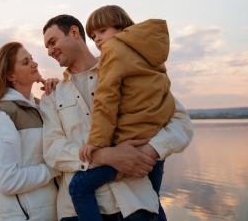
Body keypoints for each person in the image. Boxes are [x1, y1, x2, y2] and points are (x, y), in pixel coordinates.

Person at [40, 14, 193, 221]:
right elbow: (53, 150)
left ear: (74, 32)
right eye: (46, 47)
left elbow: (181, 123)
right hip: (76, 212)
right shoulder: (53, 94)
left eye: (52, 42)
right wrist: (104, 156)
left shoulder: (125, 67)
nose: (49, 51)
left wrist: (147, 152)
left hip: (137, 204)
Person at [70, 5, 175, 221]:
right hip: (154, 142)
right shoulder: (150, 55)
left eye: (102, 31)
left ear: (121, 27)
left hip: (129, 144)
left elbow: (106, 100)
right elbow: (165, 95)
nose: (97, 40)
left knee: (78, 187)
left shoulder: (113, 51)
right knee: (151, 201)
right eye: (93, 35)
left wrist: (97, 143)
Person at [0, 41, 60, 221]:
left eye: (32, 59)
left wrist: (57, 97)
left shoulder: (37, 107)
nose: (34, 64)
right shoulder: (2, 115)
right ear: (11, 75)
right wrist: (56, 166)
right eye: (25, 62)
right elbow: (8, 181)